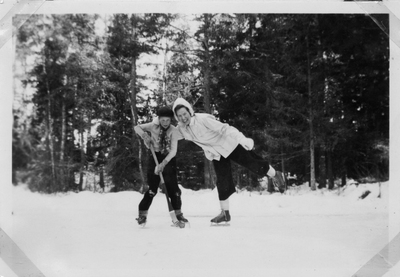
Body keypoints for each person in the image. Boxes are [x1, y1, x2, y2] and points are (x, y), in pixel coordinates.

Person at [172, 98, 285, 224]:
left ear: (189, 111)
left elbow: (226, 128)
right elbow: (168, 133)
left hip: (230, 145)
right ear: (176, 117)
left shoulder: (203, 119)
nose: (183, 118)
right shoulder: (182, 129)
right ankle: (225, 213)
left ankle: (276, 174)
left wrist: (242, 139)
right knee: (222, 181)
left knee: (254, 164)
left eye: (185, 114)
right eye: (179, 116)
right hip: (216, 154)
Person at [134, 106, 188, 226]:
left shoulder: (174, 131)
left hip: (168, 158)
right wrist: (145, 136)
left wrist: (163, 164)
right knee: (152, 189)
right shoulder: (153, 126)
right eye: (162, 120)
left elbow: (173, 151)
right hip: (154, 157)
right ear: (159, 119)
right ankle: (142, 215)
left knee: (174, 189)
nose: (165, 123)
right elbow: (137, 127)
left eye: (167, 120)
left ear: (171, 120)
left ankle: (178, 215)